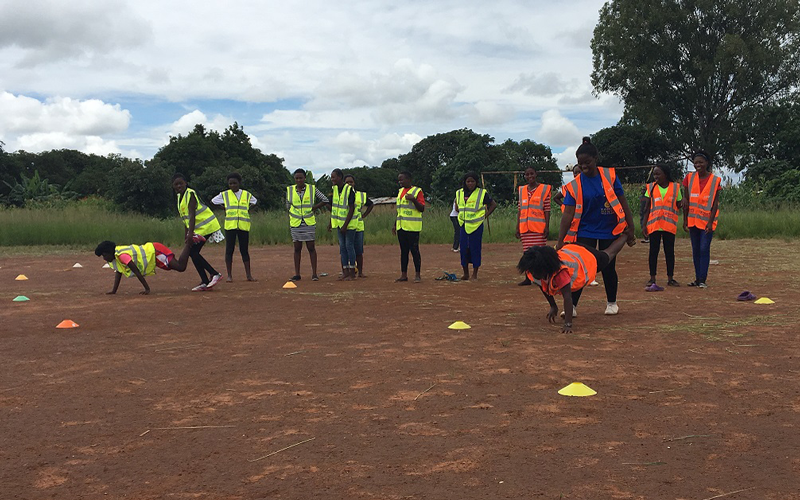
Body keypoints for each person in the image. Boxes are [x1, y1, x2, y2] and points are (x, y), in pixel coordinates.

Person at [557, 137, 636, 316]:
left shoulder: (610, 176)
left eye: (587, 162)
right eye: (580, 163)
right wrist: (560, 241)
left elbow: (623, 203)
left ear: (596, 159)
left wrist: (631, 228)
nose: (584, 167)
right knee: (578, 267)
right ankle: (573, 306)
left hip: (610, 229)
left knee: (608, 266)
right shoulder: (574, 185)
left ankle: (611, 303)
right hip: (585, 230)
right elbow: (567, 214)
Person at [517, 233, 629, 333]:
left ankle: (626, 235)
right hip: (571, 249)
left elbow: (567, 297)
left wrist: (568, 324)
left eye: (534, 271)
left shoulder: (560, 273)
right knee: (608, 254)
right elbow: (543, 286)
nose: (532, 273)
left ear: (544, 268)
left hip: (587, 256)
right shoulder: (533, 271)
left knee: (608, 254)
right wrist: (553, 306)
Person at [172, 173, 224, 292]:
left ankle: (214, 274)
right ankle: (205, 281)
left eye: (181, 183)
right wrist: (187, 234)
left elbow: (192, 216)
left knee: (193, 252)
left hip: (207, 226)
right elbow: (185, 218)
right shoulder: (180, 197)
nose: (178, 186)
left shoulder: (190, 193)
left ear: (186, 183)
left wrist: (190, 234)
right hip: (198, 228)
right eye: (176, 184)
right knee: (193, 253)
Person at [95, 239, 193, 295]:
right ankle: (190, 246)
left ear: (109, 253)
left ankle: (189, 244)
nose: (104, 258)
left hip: (155, 250)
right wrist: (114, 291)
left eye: (104, 255)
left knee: (181, 267)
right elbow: (119, 272)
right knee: (176, 267)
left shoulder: (122, 256)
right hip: (153, 257)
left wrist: (147, 289)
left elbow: (136, 271)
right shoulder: (115, 258)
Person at [682, 150, 721, 288]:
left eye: (701, 162)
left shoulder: (715, 180)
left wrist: (710, 222)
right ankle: (697, 278)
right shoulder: (689, 178)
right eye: (696, 162)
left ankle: (703, 279)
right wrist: (685, 220)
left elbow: (715, 204)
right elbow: (685, 199)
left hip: (706, 222)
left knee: (704, 249)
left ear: (707, 163)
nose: (698, 164)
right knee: (696, 250)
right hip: (693, 221)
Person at [642, 164, 682, 288]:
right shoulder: (651, 188)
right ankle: (652, 278)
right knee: (653, 252)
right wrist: (644, 225)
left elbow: (679, 204)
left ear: (665, 174)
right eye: (654, 174)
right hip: (654, 225)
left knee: (669, 252)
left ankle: (670, 278)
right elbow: (647, 207)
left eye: (658, 174)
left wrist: (684, 201)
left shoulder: (675, 188)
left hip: (669, 226)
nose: (656, 176)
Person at [212, 172, 257, 282]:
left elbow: (254, 201)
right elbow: (213, 201)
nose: (233, 185)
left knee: (244, 250)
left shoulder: (246, 194)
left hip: (243, 226)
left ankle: (248, 275)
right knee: (229, 250)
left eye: (235, 183)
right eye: (230, 183)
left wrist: (248, 209)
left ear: (239, 183)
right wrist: (223, 207)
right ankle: (229, 276)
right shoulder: (225, 194)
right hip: (230, 225)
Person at [286, 168, 329, 281]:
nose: (299, 180)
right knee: (297, 248)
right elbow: (287, 204)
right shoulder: (290, 190)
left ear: (305, 178)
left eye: (301, 178)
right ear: (294, 179)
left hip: (308, 222)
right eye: (296, 178)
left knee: (311, 247)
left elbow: (325, 199)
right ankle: (297, 274)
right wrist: (291, 213)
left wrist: (314, 208)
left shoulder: (312, 189)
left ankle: (314, 274)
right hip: (295, 223)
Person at [455, 172, 497, 280]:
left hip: (476, 225)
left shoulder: (482, 193)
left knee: (475, 249)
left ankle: (475, 274)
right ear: (464, 182)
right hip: (463, 225)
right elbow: (456, 206)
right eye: (468, 181)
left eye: (472, 181)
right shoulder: (459, 193)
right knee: (463, 249)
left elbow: (493, 204)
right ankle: (465, 273)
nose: (470, 184)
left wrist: (485, 215)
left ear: (476, 182)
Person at [516, 166, 552, 285]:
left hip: (538, 228)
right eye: (527, 174)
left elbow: (547, 209)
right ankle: (528, 278)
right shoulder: (521, 190)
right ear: (524, 176)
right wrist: (517, 227)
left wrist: (547, 226)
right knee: (527, 254)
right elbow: (520, 209)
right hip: (525, 228)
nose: (530, 176)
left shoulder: (544, 189)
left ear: (536, 174)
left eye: (532, 174)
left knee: (539, 254)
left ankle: (540, 277)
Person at [392, 171, 424, 282]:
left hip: (413, 227)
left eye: (402, 179)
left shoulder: (417, 191)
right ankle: (404, 274)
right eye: (399, 180)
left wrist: (414, 200)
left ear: (409, 179)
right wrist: (395, 224)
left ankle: (417, 275)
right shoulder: (400, 191)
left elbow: (422, 208)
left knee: (414, 250)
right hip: (401, 226)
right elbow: (400, 211)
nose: (400, 182)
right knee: (403, 251)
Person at [328, 168, 357, 281]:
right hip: (339, 224)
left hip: (348, 224)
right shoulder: (334, 190)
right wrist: (331, 222)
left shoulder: (349, 190)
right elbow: (333, 207)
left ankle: (352, 271)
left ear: (340, 177)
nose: (332, 179)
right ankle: (344, 271)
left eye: (334, 177)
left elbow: (351, 209)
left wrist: (345, 225)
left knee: (349, 246)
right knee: (342, 247)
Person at [344, 174, 374, 278]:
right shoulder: (341, 195)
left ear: (354, 183)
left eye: (351, 182)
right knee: (346, 249)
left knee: (359, 250)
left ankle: (360, 272)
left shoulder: (361, 195)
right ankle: (347, 271)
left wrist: (364, 214)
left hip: (358, 226)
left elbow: (371, 204)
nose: (349, 184)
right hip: (346, 226)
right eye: (347, 182)